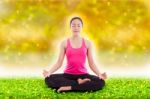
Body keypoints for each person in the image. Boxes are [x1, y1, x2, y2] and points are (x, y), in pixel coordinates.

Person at [43, 17, 107, 93]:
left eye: (78, 25)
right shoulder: (64, 43)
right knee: (48, 79)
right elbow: (59, 63)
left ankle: (69, 87)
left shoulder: (87, 43)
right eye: (73, 25)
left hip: (84, 75)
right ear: (70, 27)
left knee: (100, 82)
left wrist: (99, 74)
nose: (76, 27)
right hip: (68, 76)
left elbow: (91, 63)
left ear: (81, 27)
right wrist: (49, 72)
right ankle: (79, 84)